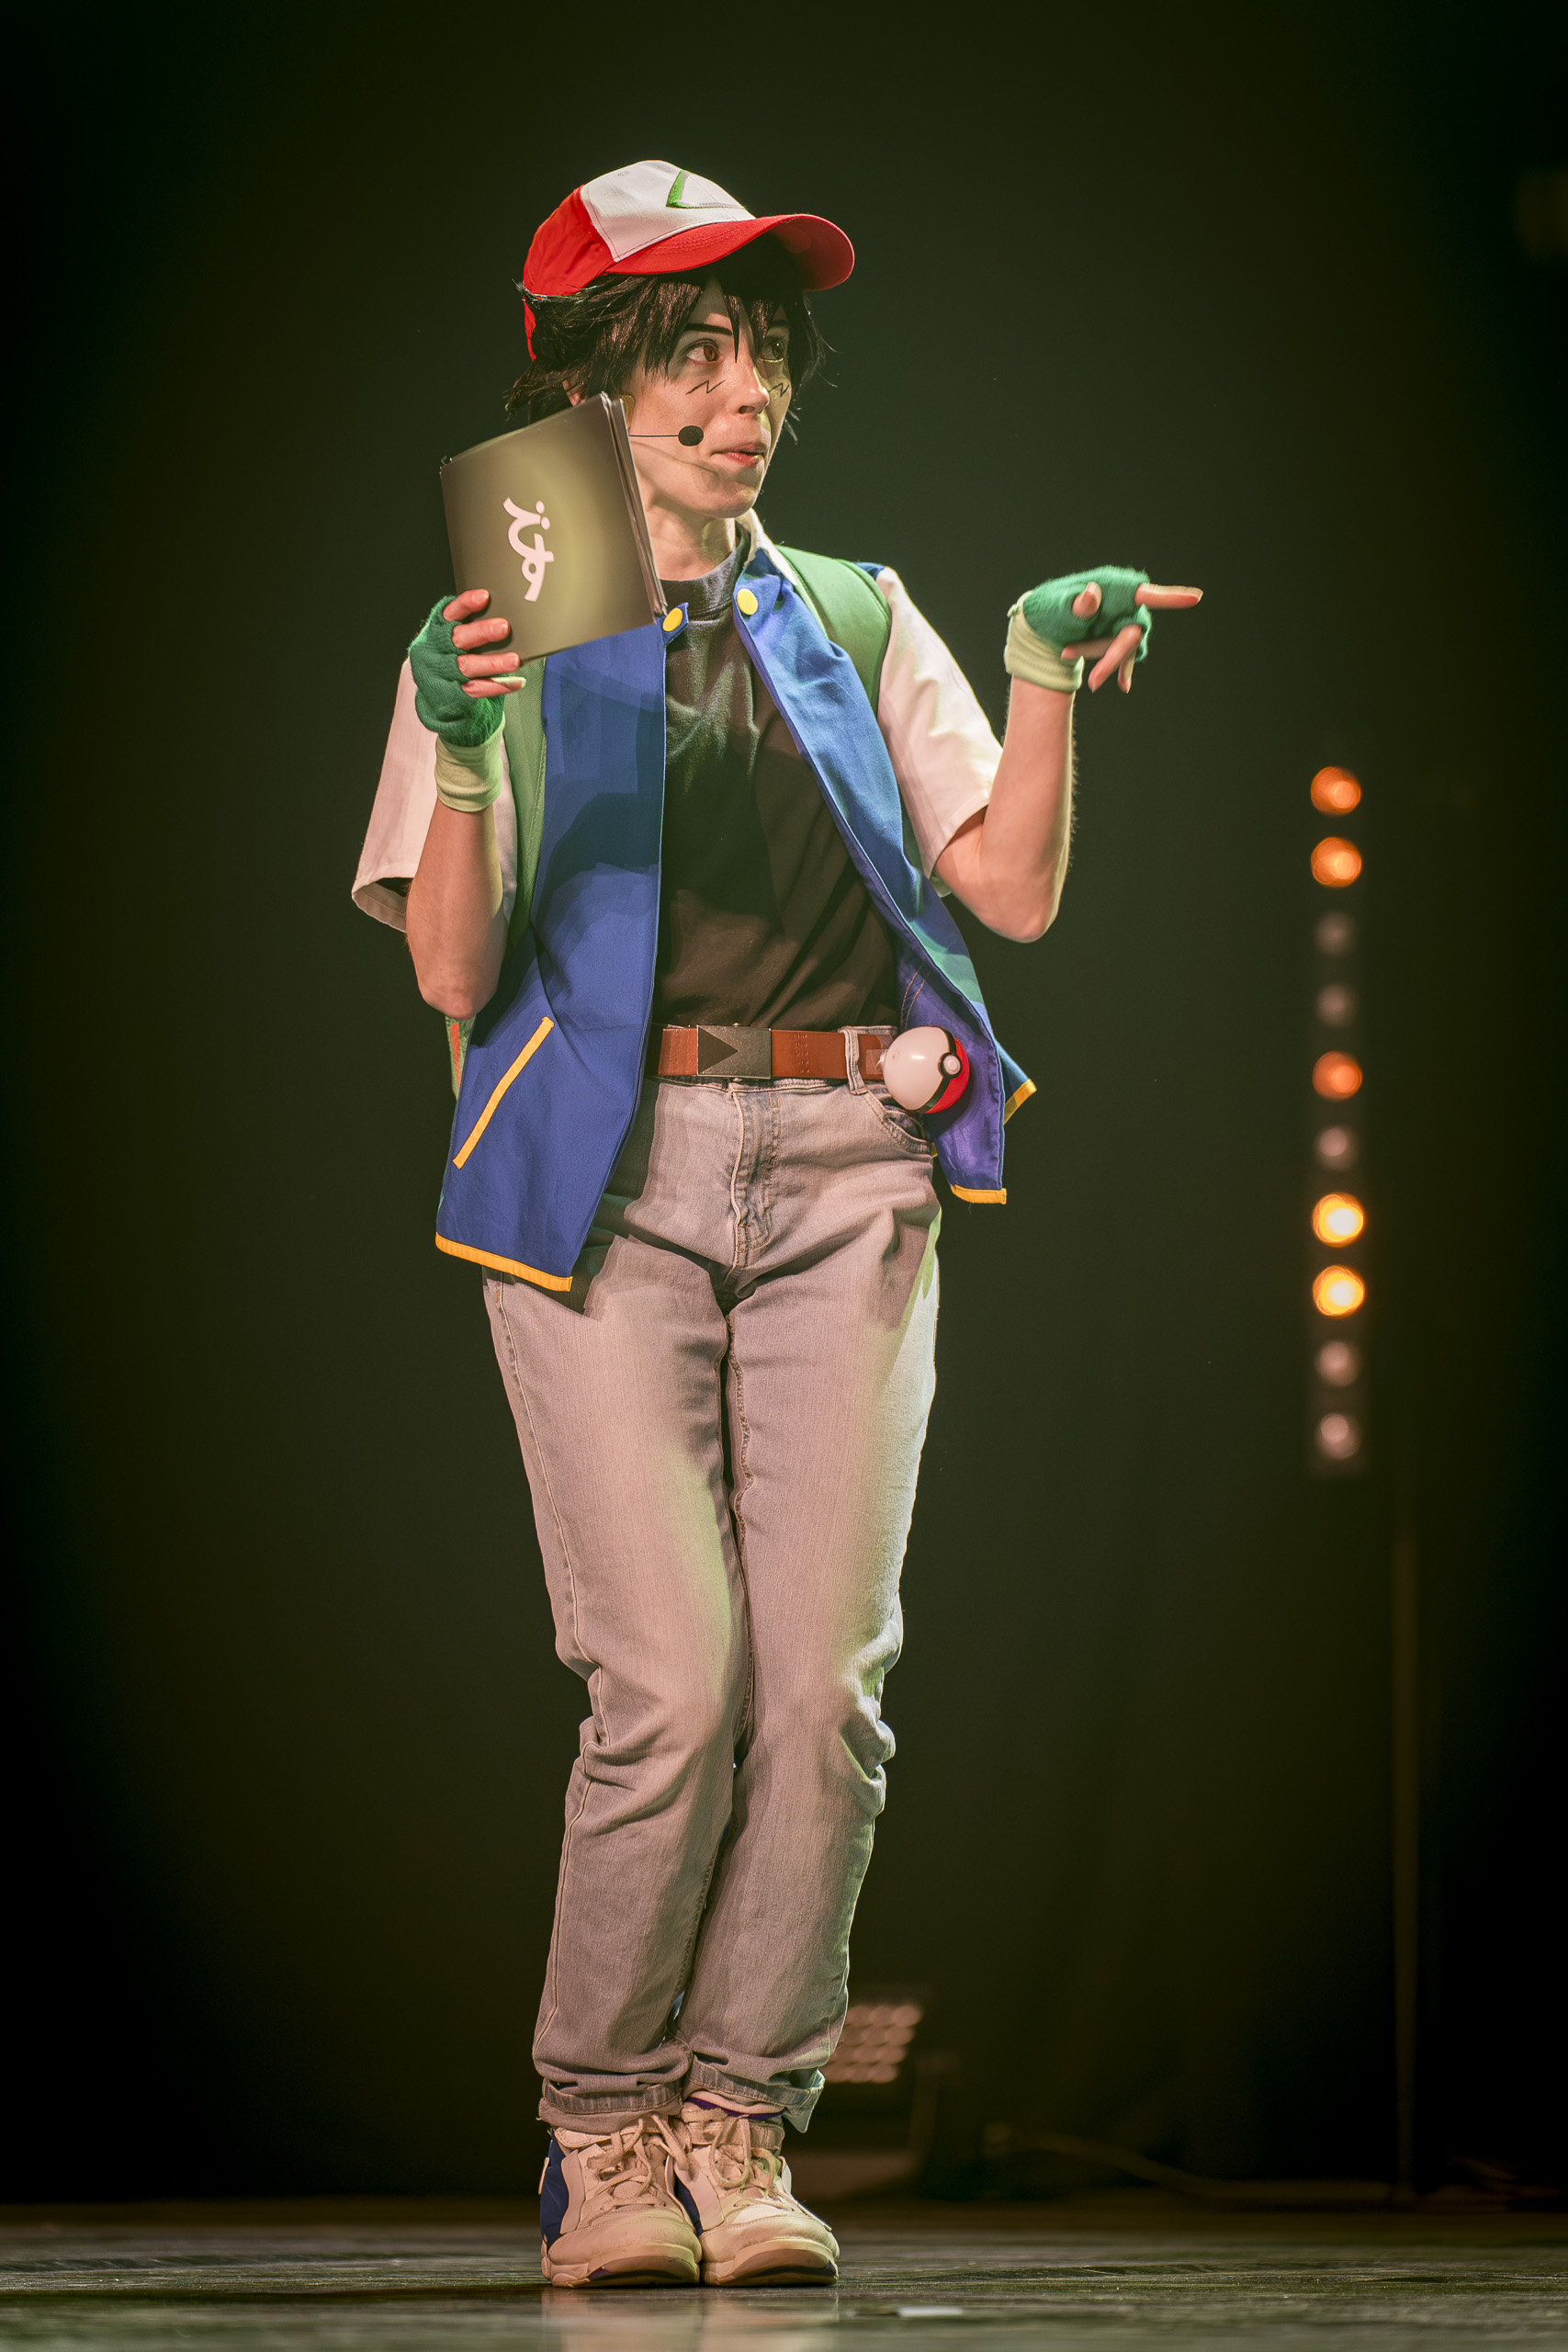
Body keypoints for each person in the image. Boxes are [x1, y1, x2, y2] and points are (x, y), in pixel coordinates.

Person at [353, 159, 1199, 2290]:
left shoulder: (848, 603)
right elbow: (451, 970)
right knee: (669, 1681)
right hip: (608, 1188)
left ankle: (739, 2121)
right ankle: (598, 2131)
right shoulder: (501, 615)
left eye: (762, 355)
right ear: (592, 385)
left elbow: (1004, 892)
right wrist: (466, 746)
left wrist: (1032, 673)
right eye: (694, 354)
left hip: (846, 1168)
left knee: (823, 1689)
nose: (744, 397)